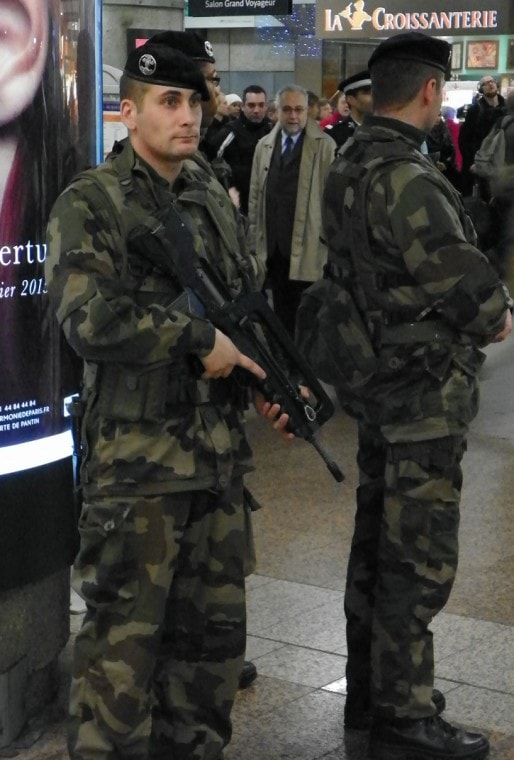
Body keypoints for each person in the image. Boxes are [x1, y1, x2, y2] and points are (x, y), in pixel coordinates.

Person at [45, 41, 294, 759]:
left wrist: (268, 379)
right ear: (129, 111)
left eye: (195, 101)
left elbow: (242, 306)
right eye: (169, 102)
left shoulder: (208, 189)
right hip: (138, 477)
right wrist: (195, 338)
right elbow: (87, 320)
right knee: (119, 670)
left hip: (217, 468)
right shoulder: (89, 200)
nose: (188, 117)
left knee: (209, 663)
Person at [322, 32, 511, 760]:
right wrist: (494, 311)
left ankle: (368, 697)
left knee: (375, 545)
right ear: (431, 90)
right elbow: (480, 303)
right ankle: (406, 716)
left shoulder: (349, 163)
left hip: (374, 389)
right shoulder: (410, 178)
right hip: (421, 399)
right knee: (416, 558)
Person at [248, 84, 336, 336]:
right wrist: (253, 241)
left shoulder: (325, 146)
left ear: (308, 110)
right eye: (287, 109)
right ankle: (286, 362)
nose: (293, 116)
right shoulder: (263, 146)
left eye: (299, 109)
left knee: (310, 313)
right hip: (274, 246)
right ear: (277, 110)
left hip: (309, 246)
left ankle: (307, 365)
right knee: (281, 311)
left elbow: (331, 201)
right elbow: (255, 198)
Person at [214, 84, 273, 215]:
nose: (256, 110)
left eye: (261, 105)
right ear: (243, 106)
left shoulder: (274, 132)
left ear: (266, 106)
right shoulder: (229, 133)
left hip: (267, 207)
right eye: (251, 105)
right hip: (237, 207)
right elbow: (211, 163)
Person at [458, 75, 506, 196]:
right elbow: (464, 140)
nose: (490, 84)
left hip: (504, 165)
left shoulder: (508, 109)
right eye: (486, 83)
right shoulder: (475, 111)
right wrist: (471, 163)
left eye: (492, 82)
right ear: (481, 89)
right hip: (482, 166)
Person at [324, 70, 372, 149]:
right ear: (351, 100)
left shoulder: (385, 131)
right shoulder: (334, 134)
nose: (375, 98)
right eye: (368, 93)